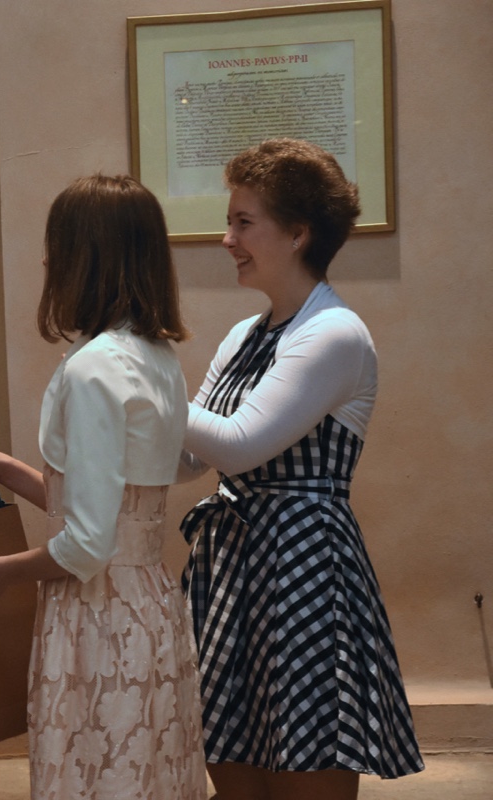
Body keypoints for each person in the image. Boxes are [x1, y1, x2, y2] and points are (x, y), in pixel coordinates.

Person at [0, 174, 206, 799]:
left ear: (86, 257)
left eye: (56, 246)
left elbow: (87, 546)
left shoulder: (93, 369)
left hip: (97, 616)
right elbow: (111, 515)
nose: (47, 262)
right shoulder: (155, 356)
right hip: (148, 610)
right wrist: (0, 465)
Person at [178, 138, 423, 800]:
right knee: (231, 761)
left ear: (298, 233)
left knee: (306, 760)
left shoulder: (335, 333)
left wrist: (142, 387)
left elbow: (238, 445)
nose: (227, 239)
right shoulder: (244, 335)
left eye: (243, 222)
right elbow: (192, 458)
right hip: (232, 564)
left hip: (302, 564)